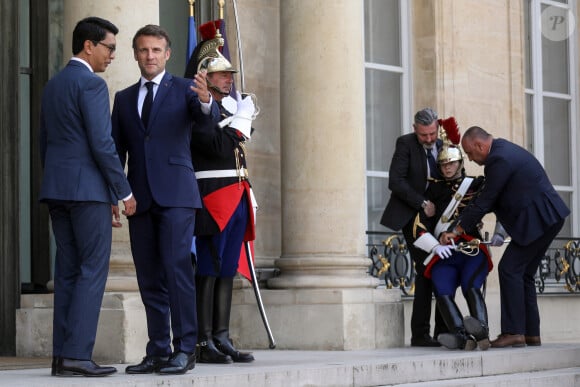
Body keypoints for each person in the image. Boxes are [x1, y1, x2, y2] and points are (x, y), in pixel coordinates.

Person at [111, 24, 219, 375]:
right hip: (138, 200)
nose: (150, 56)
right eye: (143, 50)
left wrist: (206, 103)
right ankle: (158, 349)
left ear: (167, 54)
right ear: (135, 54)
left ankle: (185, 349)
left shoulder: (186, 89)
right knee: (149, 277)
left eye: (156, 50)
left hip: (176, 196)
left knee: (176, 272)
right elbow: (117, 151)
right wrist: (117, 194)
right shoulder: (124, 99)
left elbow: (206, 126)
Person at [39, 16, 136, 377]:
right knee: (92, 271)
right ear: (89, 46)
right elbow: (102, 143)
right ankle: (77, 355)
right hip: (88, 192)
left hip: (58, 190)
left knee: (67, 271)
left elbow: (44, 143)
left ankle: (62, 356)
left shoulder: (52, 85)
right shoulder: (91, 86)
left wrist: (53, 182)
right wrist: (122, 191)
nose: (112, 55)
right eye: (110, 47)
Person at [440, 126, 570, 348]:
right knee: (524, 274)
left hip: (539, 218)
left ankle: (513, 332)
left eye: (470, 153)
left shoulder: (498, 159)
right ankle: (531, 334)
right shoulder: (502, 152)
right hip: (548, 216)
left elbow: (486, 200)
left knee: (509, 269)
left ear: (480, 146)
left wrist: (457, 229)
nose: (470, 159)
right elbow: (503, 197)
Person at [184, 19, 256, 364]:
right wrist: (238, 124)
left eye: (230, 75)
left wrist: (239, 119)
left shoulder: (229, 109)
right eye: (222, 75)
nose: (230, 80)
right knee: (209, 267)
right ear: (205, 77)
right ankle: (203, 340)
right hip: (213, 195)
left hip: (236, 193)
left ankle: (221, 335)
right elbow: (212, 145)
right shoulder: (200, 111)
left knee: (227, 266)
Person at [409, 121, 494, 351]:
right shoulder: (432, 191)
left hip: (469, 248)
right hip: (444, 252)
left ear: (460, 162)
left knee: (470, 286)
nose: (447, 168)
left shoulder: (476, 185)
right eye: (443, 164)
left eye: (451, 163)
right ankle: (460, 335)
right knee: (442, 289)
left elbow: (501, 199)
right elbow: (418, 225)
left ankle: (481, 330)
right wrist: (434, 247)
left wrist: (503, 231)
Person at [380, 108, 446, 347]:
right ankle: (420, 334)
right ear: (414, 129)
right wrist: (422, 202)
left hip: (440, 219)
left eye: (432, 134)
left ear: (437, 127)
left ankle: (444, 331)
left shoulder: (444, 144)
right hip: (414, 217)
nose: (429, 139)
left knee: (444, 271)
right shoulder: (405, 144)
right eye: (423, 135)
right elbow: (395, 181)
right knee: (426, 270)